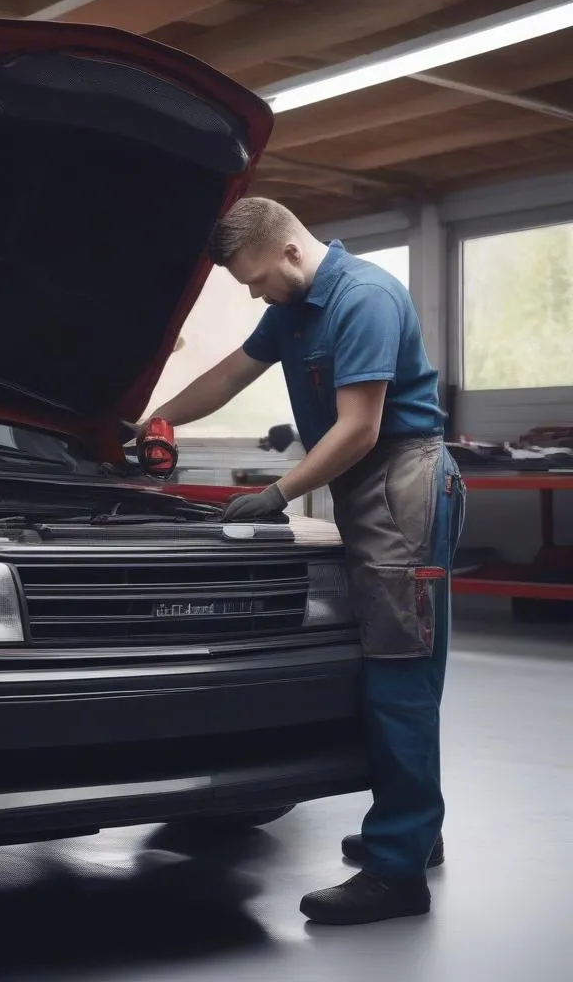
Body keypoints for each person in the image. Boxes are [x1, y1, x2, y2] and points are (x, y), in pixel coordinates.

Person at [142, 197, 467, 926]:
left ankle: (396, 874)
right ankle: (416, 834)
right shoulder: (294, 305)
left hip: (399, 481)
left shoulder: (364, 298)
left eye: (258, 281)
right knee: (400, 665)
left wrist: (278, 491)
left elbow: (360, 427)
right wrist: (151, 419)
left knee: (398, 673)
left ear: (290, 251)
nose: (257, 295)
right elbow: (229, 374)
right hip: (368, 483)